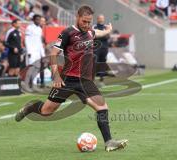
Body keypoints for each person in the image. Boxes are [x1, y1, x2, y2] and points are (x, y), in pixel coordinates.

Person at [15, 5, 128, 152]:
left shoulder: (90, 31)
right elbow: (54, 53)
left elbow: (97, 32)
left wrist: (107, 30)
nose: (87, 25)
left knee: (102, 107)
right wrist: (56, 75)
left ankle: (109, 142)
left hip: (85, 81)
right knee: (47, 112)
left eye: (89, 22)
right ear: (78, 17)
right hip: (67, 79)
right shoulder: (67, 33)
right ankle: (30, 107)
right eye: (84, 21)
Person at [25, 14, 45, 86]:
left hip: (38, 52)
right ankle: (28, 83)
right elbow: (26, 40)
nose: (38, 21)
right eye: (37, 19)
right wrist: (29, 51)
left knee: (37, 68)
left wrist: (42, 54)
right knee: (31, 67)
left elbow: (40, 42)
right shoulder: (29, 28)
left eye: (39, 20)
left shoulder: (39, 29)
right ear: (33, 20)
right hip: (32, 51)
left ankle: (32, 82)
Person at [93, 14, 110, 82]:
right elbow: (95, 35)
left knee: (103, 61)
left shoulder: (106, 27)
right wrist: (103, 34)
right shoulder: (95, 26)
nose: (102, 19)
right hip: (97, 47)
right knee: (95, 61)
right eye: (100, 18)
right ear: (98, 19)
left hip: (104, 47)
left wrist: (101, 34)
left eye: (102, 18)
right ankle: (93, 76)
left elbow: (107, 36)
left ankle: (102, 76)